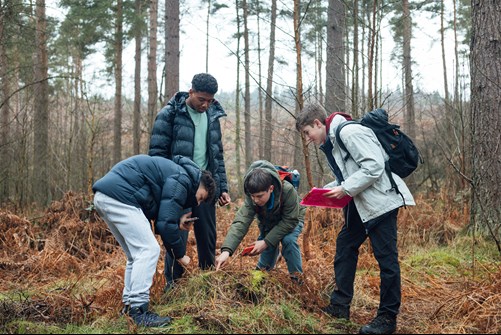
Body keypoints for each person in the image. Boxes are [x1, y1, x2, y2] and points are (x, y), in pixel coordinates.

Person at [295, 103, 415, 335]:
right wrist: (325, 191)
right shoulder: (333, 141)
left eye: (308, 133)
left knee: (386, 259)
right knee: (345, 247)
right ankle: (340, 306)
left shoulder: (348, 132)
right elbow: (350, 175)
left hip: (381, 202)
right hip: (360, 204)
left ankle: (387, 319)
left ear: (318, 124)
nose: (308, 139)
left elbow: (374, 166)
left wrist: (345, 189)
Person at [92, 155, 216, 327]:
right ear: (200, 183)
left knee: (135, 255)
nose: (197, 201)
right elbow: (164, 224)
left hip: (106, 196)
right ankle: (139, 311)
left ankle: (129, 306)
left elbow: (161, 215)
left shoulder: (175, 173)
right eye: (201, 197)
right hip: (120, 196)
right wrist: (180, 255)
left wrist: (176, 221)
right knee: (149, 250)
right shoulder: (183, 179)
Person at [149, 73, 231, 290]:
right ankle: (173, 286)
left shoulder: (212, 116)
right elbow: (157, 155)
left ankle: (207, 285)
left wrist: (222, 187)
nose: (205, 105)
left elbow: (217, 155)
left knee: (207, 237)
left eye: (210, 100)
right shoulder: (170, 115)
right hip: (179, 186)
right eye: (201, 99)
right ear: (191, 91)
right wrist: (165, 189)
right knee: (177, 235)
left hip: (206, 187)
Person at [215, 160, 304, 280]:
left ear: (271, 188)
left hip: (292, 218)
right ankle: (260, 281)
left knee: (288, 241)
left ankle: (298, 281)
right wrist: (226, 251)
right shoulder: (252, 196)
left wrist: (266, 242)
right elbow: (241, 221)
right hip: (268, 222)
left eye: (260, 196)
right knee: (264, 263)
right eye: (253, 196)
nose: (256, 200)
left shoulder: (287, 190)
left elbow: (290, 221)